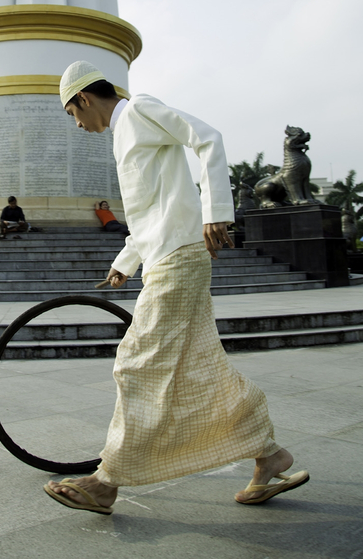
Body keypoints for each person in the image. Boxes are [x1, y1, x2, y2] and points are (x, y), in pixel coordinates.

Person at [44, 60, 309, 515]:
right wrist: (125, 263)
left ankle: (106, 482)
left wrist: (216, 212)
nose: (78, 125)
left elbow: (208, 137)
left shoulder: (140, 110)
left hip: (179, 258)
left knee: (135, 364)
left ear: (84, 99)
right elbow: (152, 210)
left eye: (73, 114)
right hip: (168, 255)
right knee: (201, 368)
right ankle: (270, 457)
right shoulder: (125, 134)